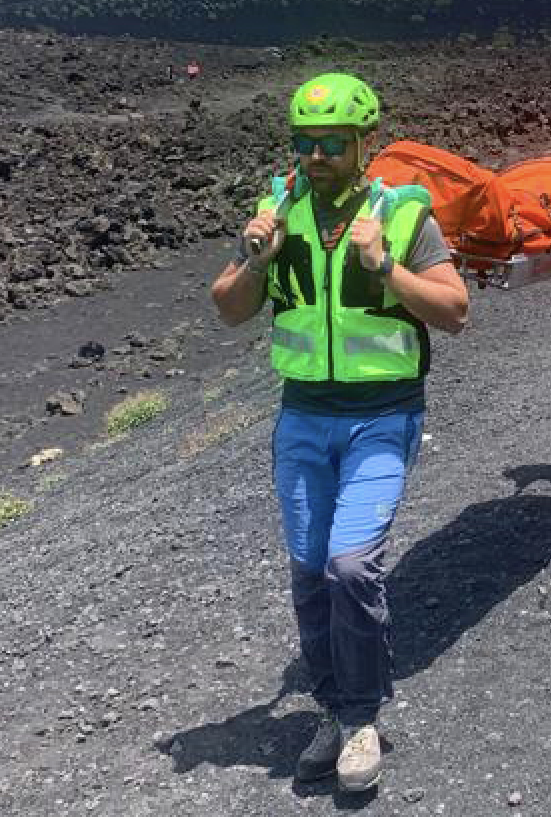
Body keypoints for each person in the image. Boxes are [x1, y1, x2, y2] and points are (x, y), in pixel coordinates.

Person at [210, 74, 469, 793]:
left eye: (331, 143)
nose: (315, 155)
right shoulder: (277, 213)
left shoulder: (402, 213)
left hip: (383, 416)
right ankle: (330, 707)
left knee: (350, 566)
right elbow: (228, 309)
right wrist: (253, 257)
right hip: (301, 418)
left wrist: (384, 266)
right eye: (303, 142)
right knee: (307, 572)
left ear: (364, 144)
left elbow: (454, 309)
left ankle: (359, 719)